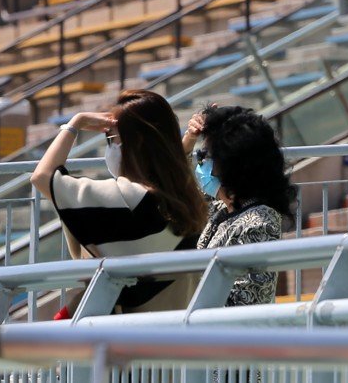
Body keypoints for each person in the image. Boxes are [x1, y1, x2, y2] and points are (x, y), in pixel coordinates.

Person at [30, 89, 207, 315]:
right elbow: (173, 162)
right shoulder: (184, 197)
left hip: (128, 337)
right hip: (178, 327)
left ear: (138, 142)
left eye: (112, 139)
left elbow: (42, 176)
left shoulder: (125, 198)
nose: (110, 147)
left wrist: (75, 124)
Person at [184, 105, 296, 306]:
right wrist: (189, 141)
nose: (200, 164)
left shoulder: (260, 222)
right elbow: (173, 192)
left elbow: (249, 301)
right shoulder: (223, 208)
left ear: (232, 162)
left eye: (205, 156)